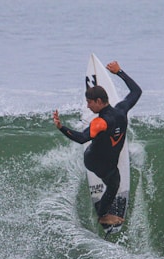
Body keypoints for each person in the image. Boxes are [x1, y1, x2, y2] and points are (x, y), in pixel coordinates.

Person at [53, 60, 142, 230]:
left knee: (114, 183)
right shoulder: (122, 110)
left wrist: (61, 127)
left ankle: (102, 215)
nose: (87, 105)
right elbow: (136, 91)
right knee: (114, 182)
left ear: (99, 101)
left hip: (96, 160)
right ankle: (104, 215)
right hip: (97, 162)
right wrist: (119, 72)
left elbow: (81, 138)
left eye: (89, 102)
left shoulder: (99, 122)